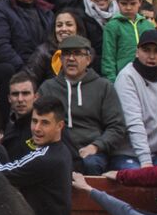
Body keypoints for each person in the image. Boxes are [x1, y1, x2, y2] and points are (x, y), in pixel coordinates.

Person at [37, 34, 125, 175]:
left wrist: (96, 146)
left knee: (91, 163)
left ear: (88, 59)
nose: (71, 58)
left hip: (91, 151)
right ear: (60, 59)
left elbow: (117, 126)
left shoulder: (104, 87)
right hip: (56, 147)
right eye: (66, 54)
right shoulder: (48, 88)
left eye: (77, 53)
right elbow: (37, 122)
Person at [111, 29, 157, 171]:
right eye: (146, 50)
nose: (151, 56)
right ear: (137, 52)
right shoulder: (126, 77)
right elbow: (133, 121)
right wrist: (146, 162)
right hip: (126, 154)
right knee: (138, 181)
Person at [99, 0, 156, 82]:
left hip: (147, 77)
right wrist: (112, 82)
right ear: (116, 2)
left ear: (140, 2)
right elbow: (108, 58)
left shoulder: (148, 26)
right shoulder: (112, 26)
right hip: (122, 79)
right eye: (124, 4)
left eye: (133, 3)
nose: (128, 7)